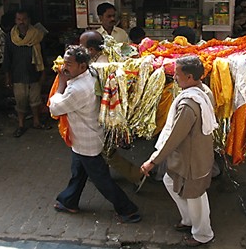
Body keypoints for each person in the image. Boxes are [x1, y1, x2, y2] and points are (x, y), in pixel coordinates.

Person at [49, 45, 141, 223]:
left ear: (82, 66)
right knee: (78, 172)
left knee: (101, 180)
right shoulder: (90, 74)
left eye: (69, 64)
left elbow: (55, 108)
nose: (64, 67)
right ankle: (69, 200)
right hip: (84, 138)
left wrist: (60, 84)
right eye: (64, 62)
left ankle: (127, 210)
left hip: (87, 142)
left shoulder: (77, 89)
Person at [141, 55, 218, 247]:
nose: (174, 77)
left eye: (177, 74)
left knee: (196, 197)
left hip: (191, 160)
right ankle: (188, 220)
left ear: (190, 77)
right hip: (196, 154)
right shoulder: (204, 91)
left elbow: (174, 137)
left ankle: (203, 234)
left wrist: (153, 161)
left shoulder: (188, 105)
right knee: (170, 181)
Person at [79, 30, 147, 192]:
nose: (78, 48)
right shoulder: (98, 59)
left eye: (81, 46)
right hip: (102, 112)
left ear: (92, 50)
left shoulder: (101, 65)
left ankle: (136, 174)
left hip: (104, 112)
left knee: (105, 150)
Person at [3, 9, 50, 137]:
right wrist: (7, 76)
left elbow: (43, 56)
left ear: (29, 20)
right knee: (20, 102)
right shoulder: (11, 37)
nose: (21, 22)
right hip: (18, 74)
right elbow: (7, 58)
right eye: (19, 19)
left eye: (24, 19)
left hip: (34, 73)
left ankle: (36, 122)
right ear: (15, 21)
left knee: (35, 100)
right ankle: (21, 125)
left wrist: (44, 73)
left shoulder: (37, 35)